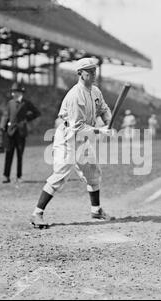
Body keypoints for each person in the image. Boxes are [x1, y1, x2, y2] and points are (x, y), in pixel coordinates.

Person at [30, 57, 113, 228]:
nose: (93, 73)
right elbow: (78, 128)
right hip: (68, 136)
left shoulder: (96, 91)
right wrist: (101, 130)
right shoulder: (75, 95)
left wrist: (108, 121)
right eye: (88, 71)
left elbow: (104, 108)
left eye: (94, 70)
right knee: (60, 175)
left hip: (82, 138)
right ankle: (37, 213)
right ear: (80, 74)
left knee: (93, 172)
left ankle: (96, 211)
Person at [1, 83, 41, 183]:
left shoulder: (26, 103)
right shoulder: (10, 103)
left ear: (20, 93)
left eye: (16, 92)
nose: (14, 94)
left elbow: (37, 113)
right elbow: (6, 115)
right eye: (13, 92)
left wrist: (26, 119)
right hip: (10, 132)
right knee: (8, 154)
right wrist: (2, 127)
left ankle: (19, 176)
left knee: (19, 155)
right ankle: (6, 176)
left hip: (21, 132)